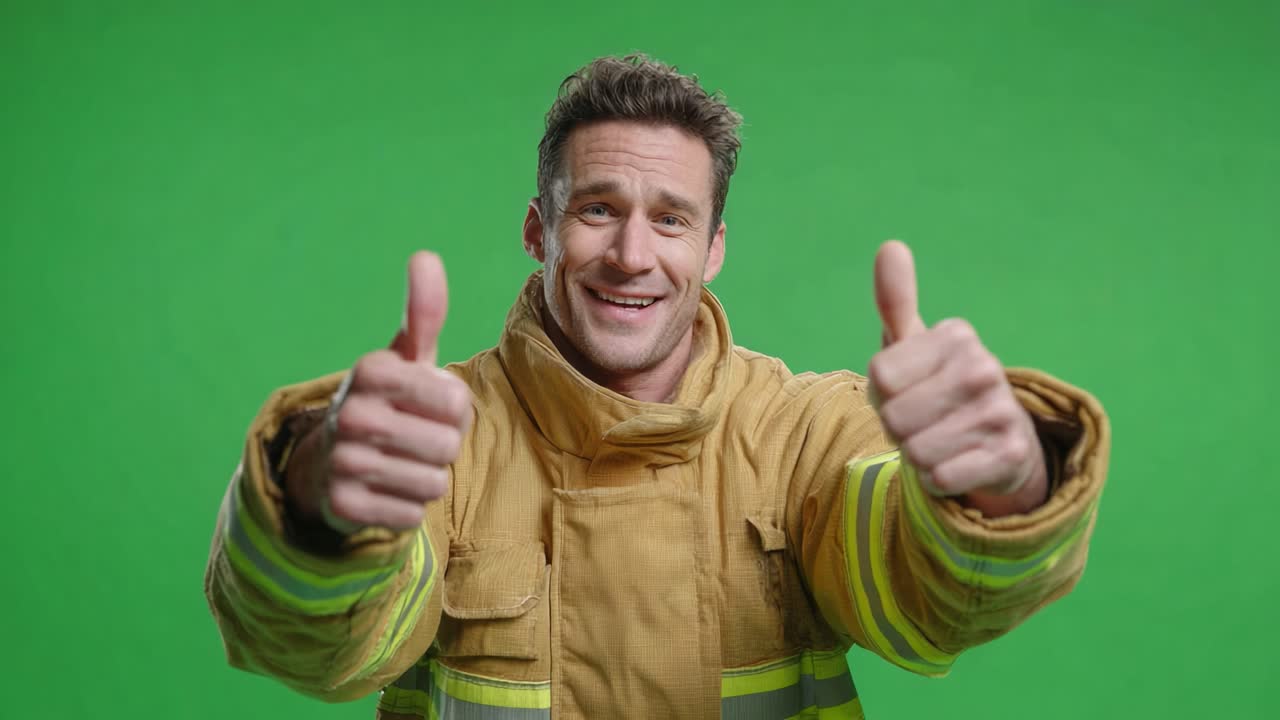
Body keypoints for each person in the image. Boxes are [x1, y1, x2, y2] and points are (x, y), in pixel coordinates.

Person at [204, 54, 1110, 720]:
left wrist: (1004, 485)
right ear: (538, 229)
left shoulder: (807, 431)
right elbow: (315, 651)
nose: (633, 255)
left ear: (713, 248)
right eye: (598, 208)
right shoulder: (433, 432)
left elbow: (930, 609)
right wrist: (320, 502)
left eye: (671, 220)